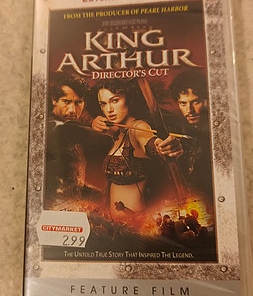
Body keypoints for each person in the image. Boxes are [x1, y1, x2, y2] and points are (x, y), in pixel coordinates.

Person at [89, 80, 183, 229]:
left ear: (129, 99)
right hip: (114, 224)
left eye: (115, 101)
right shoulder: (118, 131)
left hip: (135, 225)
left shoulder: (138, 127)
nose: (109, 109)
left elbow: (149, 142)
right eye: (103, 104)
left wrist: (162, 147)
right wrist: (93, 122)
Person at [45, 74, 111, 206]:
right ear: (54, 100)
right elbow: (106, 141)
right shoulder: (55, 126)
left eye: (78, 102)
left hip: (71, 196)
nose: (72, 110)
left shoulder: (69, 127)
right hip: (55, 202)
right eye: (66, 102)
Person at [169, 70, 213, 200]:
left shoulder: (216, 129)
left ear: (207, 99)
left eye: (196, 102)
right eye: (183, 103)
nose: (189, 110)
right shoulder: (177, 128)